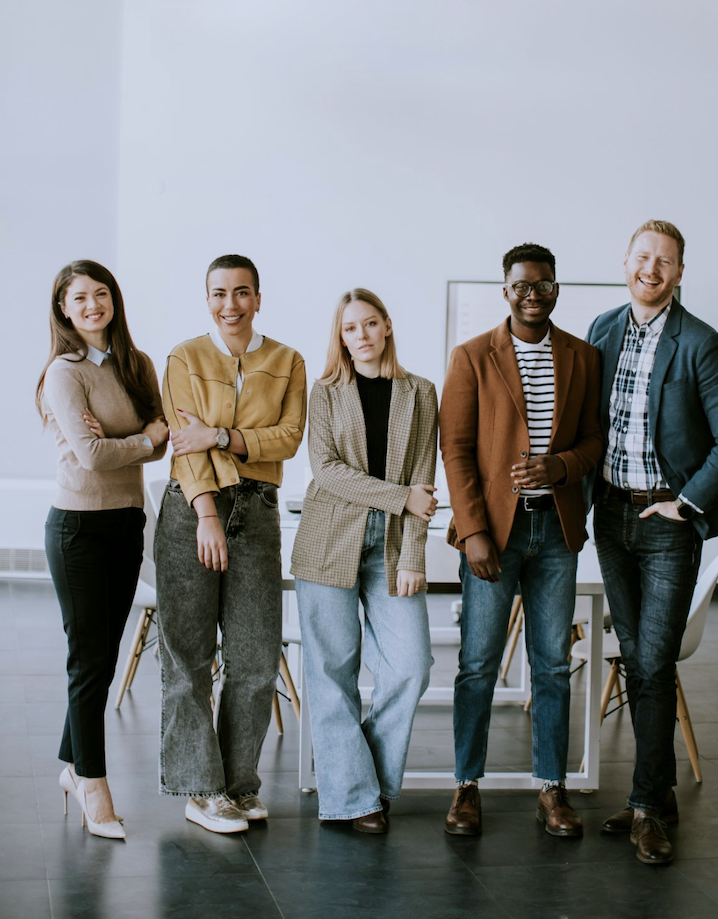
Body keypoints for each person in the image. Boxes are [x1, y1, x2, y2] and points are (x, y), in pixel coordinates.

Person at [587, 220, 718, 865]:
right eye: (642, 257)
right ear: (624, 263)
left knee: (652, 664)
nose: (650, 269)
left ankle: (649, 807)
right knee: (636, 659)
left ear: (680, 273)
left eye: (665, 261)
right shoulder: (602, 329)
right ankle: (655, 793)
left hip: (666, 526)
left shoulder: (704, 345)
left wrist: (684, 505)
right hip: (610, 516)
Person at [439, 243, 603, 837]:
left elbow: (592, 442)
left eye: (543, 285)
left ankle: (552, 789)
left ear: (556, 287)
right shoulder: (472, 357)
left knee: (552, 667)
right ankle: (466, 786)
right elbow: (454, 451)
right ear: (505, 290)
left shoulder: (583, 358)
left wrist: (558, 467)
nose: (532, 294)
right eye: (521, 286)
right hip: (495, 536)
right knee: (477, 665)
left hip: (556, 532)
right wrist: (474, 531)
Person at [156, 254, 306, 833]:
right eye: (219, 293)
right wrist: (206, 515)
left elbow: (288, 439)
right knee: (188, 655)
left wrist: (221, 433)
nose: (231, 305)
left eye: (242, 293)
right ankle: (202, 789)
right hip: (192, 511)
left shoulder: (287, 360)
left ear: (258, 298)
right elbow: (183, 446)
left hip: (258, 510)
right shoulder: (183, 357)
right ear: (208, 299)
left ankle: (239, 784)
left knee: (254, 656)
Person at [291, 288, 438, 834]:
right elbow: (326, 470)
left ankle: (361, 778)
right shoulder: (326, 392)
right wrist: (399, 499)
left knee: (411, 666)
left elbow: (424, 476)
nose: (361, 336)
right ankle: (355, 798)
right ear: (341, 337)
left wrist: (413, 553)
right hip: (328, 537)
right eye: (350, 329)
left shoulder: (420, 392)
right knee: (332, 672)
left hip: (393, 544)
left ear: (388, 326)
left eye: (370, 324)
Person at [37, 260, 169, 839]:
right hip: (78, 530)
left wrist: (126, 442)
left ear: (114, 298)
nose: (92, 305)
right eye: (79, 298)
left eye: (100, 293)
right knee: (87, 660)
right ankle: (93, 783)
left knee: (103, 657)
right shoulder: (64, 374)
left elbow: (160, 445)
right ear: (63, 309)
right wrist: (138, 439)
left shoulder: (135, 365)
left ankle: (72, 765)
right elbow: (94, 458)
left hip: (127, 521)